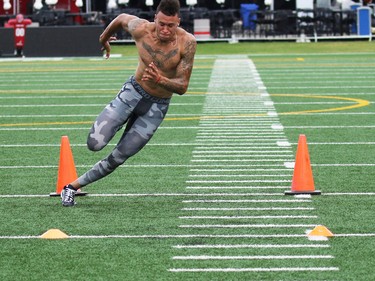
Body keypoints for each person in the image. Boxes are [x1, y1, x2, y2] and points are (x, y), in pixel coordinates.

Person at [61, 0, 196, 206]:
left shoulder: (187, 42)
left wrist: (161, 80)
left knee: (121, 155)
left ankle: (71, 187)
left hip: (157, 106)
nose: (165, 29)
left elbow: (182, 86)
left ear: (178, 22)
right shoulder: (141, 29)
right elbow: (121, 19)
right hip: (133, 92)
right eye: (162, 24)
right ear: (155, 19)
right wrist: (104, 38)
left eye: (171, 25)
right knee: (94, 143)